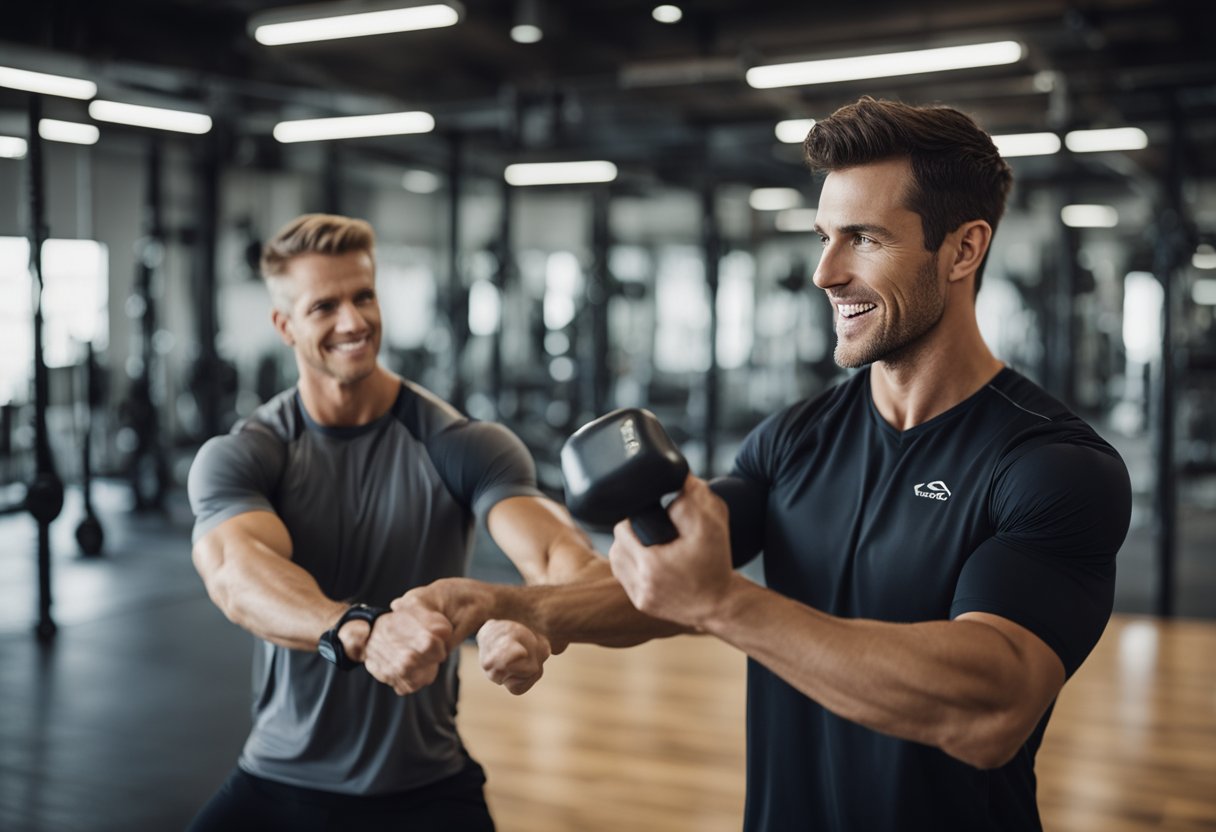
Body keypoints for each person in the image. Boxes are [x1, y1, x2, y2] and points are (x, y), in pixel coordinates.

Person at [388, 97, 1133, 831]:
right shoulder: (794, 439)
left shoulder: (1053, 466)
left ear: (964, 249)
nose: (824, 273)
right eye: (823, 237)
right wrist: (513, 608)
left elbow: (993, 705)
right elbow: (668, 576)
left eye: (864, 239)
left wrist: (727, 604)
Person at [184, 213, 660, 831]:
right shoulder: (249, 453)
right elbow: (235, 572)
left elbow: (560, 562)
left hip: (425, 786)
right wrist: (358, 629)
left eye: (363, 296)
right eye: (324, 306)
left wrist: (533, 618)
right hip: (279, 778)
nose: (353, 321)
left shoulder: (461, 444)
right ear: (284, 325)